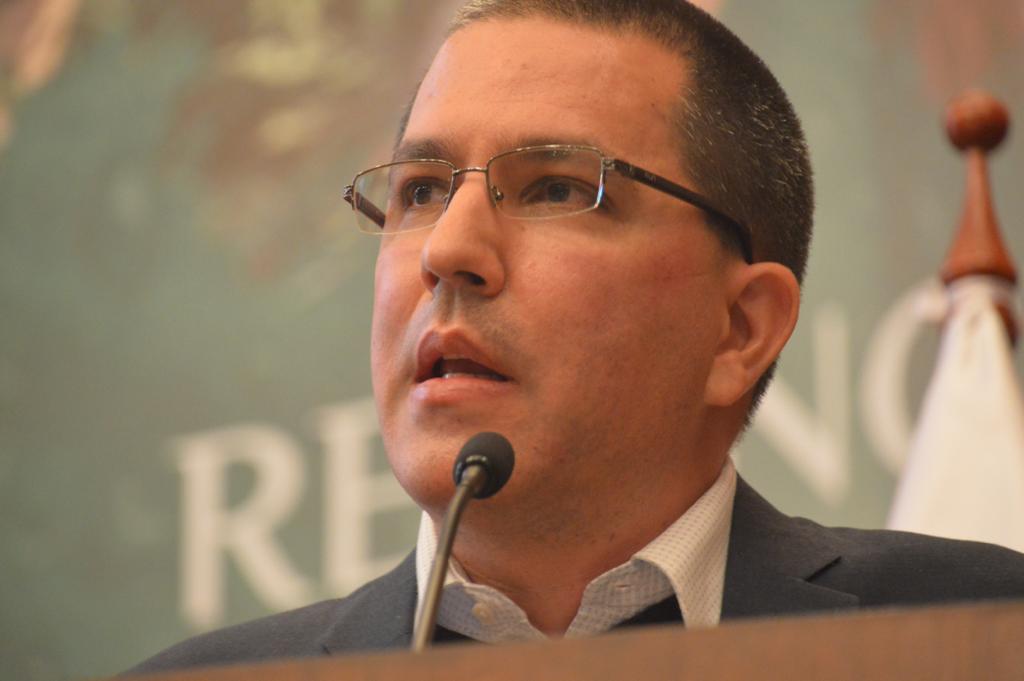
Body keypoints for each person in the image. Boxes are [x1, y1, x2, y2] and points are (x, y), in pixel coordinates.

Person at [129, 0, 1024, 673]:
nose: (446, 251)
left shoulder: (983, 631)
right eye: (421, 190)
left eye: (555, 188)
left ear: (739, 329)